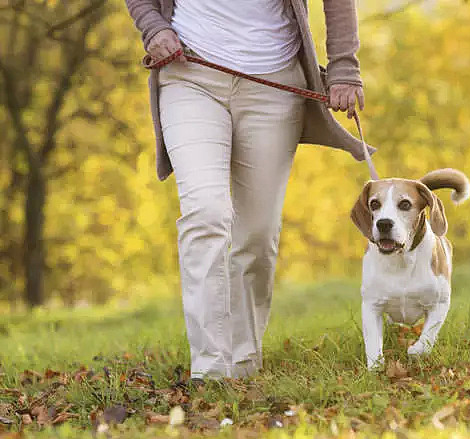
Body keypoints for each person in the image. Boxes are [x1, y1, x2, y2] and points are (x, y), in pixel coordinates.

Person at [125, 0, 371, 380]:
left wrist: (344, 68)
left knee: (257, 236)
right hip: (190, 73)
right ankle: (210, 370)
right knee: (206, 212)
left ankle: (242, 364)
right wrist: (153, 26)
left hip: (274, 84)